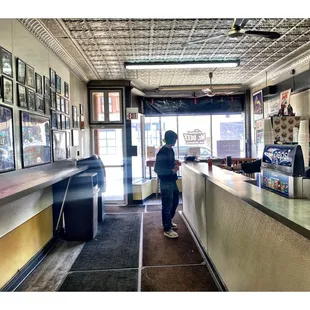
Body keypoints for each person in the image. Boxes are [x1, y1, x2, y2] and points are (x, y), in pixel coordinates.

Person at [154, 130, 180, 239]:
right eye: (174, 139)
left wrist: (175, 163)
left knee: (175, 202)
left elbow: (170, 163)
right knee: (167, 205)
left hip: (172, 181)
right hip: (166, 182)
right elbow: (158, 169)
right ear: (171, 139)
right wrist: (172, 171)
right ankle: (167, 229)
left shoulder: (171, 150)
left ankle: (168, 221)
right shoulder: (162, 152)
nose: (175, 142)